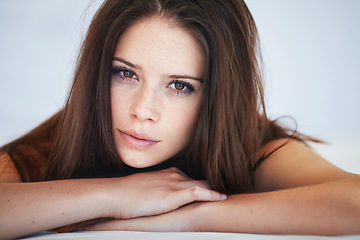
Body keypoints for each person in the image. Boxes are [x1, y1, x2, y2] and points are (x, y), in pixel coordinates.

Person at [0, 0, 359, 238]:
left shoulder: (248, 145)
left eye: (179, 85)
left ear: (217, 96)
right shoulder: (66, 138)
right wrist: (113, 195)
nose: (143, 110)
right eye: (125, 74)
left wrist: (186, 215)